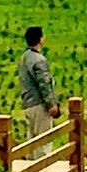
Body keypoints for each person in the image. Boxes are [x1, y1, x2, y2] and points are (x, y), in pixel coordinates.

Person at [17, 26, 60, 160]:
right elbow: (44, 83)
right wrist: (52, 104)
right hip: (40, 105)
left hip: (28, 105)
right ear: (40, 39)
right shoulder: (39, 60)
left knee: (31, 144)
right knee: (43, 145)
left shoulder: (23, 59)